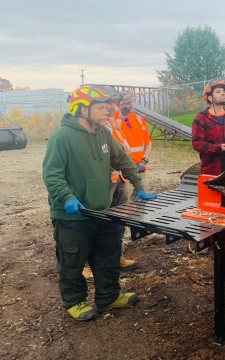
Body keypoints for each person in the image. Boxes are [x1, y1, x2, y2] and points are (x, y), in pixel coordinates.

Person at [43, 85, 157, 321]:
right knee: (72, 261)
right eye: (102, 107)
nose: (109, 110)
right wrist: (67, 197)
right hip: (73, 216)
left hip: (102, 211)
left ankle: (109, 297)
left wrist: (139, 186)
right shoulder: (61, 138)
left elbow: (123, 160)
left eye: (109, 106)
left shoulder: (104, 133)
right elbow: (52, 175)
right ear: (83, 110)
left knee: (108, 256)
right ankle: (74, 302)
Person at [82, 91, 137, 283]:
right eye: (109, 103)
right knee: (95, 224)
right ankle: (86, 265)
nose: (112, 106)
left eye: (114, 103)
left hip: (118, 177)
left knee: (118, 221)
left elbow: (119, 150)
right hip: (103, 181)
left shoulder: (113, 121)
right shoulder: (93, 124)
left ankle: (116, 256)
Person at [112, 91, 153, 202]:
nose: (130, 105)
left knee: (143, 203)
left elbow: (148, 144)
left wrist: (144, 160)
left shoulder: (139, 120)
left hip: (140, 169)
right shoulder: (113, 120)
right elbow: (116, 138)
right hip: (125, 172)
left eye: (131, 102)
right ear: (117, 105)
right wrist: (121, 116)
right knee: (126, 204)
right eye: (126, 103)